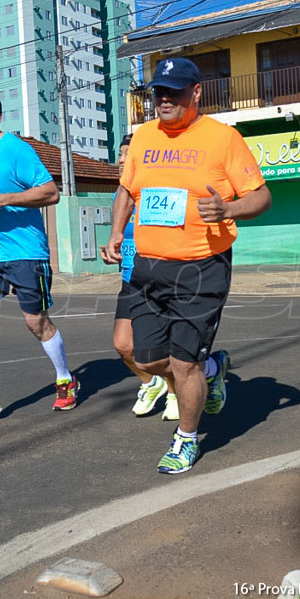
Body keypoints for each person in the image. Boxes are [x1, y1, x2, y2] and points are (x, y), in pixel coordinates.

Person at [105, 57, 272, 474]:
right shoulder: (143, 136)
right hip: (147, 264)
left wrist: (228, 207)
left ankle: (186, 437)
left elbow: (261, 197)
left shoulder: (223, 138)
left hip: (201, 265)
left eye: (175, 92)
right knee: (144, 359)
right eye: (159, 93)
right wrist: (114, 233)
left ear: (196, 92)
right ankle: (212, 369)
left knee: (183, 364)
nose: (165, 100)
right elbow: (127, 190)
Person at [0, 88, 79, 422]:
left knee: (36, 322)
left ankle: (65, 378)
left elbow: (52, 193)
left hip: (26, 253)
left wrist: (3, 200)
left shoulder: (17, 150)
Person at [100, 134, 179, 421]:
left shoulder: (157, 193)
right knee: (123, 345)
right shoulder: (119, 196)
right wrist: (112, 248)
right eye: (119, 154)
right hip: (130, 278)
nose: (121, 160)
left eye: (127, 154)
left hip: (160, 280)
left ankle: (174, 392)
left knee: (160, 349)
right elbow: (119, 235)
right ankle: (151, 383)